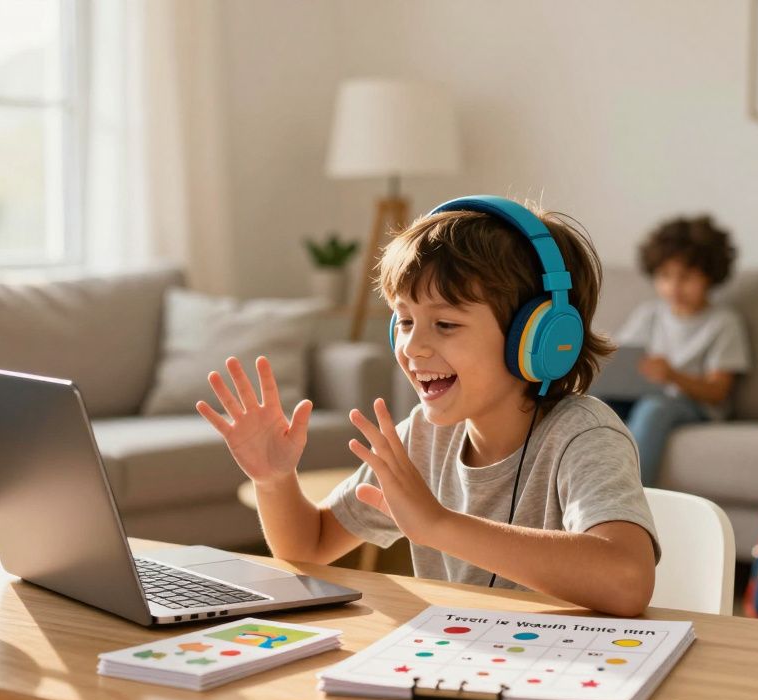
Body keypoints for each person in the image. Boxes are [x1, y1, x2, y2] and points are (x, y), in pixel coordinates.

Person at [196, 197, 658, 617]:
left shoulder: (583, 435)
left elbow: (627, 582)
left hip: (571, 672)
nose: (413, 347)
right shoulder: (422, 435)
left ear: (539, 339)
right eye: (404, 320)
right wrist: (274, 480)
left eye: (445, 323)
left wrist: (436, 524)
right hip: (463, 663)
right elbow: (308, 545)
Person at [613, 215, 750, 486]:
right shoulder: (649, 315)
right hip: (642, 398)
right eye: (665, 276)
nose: (674, 287)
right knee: (596, 409)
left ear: (709, 277)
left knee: (654, 409)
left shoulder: (724, 323)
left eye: (685, 277)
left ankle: (633, 497)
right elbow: (619, 358)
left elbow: (718, 391)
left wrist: (673, 376)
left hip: (694, 407)